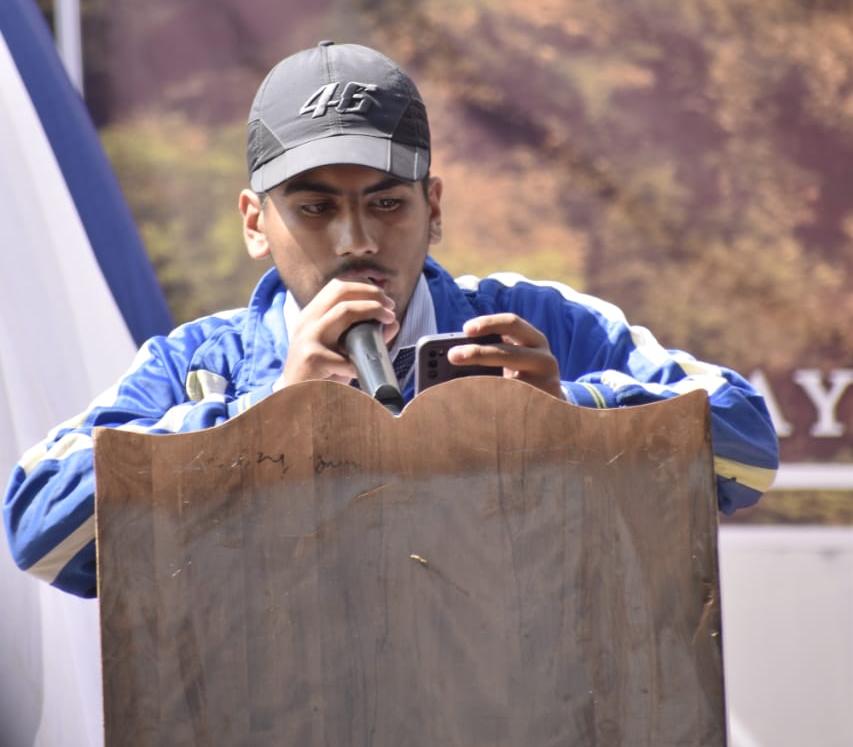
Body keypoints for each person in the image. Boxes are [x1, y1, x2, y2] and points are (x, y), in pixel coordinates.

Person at [3, 41, 778, 597]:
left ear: (431, 207)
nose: (358, 241)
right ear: (253, 221)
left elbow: (748, 449)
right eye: (314, 209)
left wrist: (571, 419)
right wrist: (261, 420)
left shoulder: (534, 321)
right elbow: (38, 532)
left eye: (385, 203)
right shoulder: (196, 363)